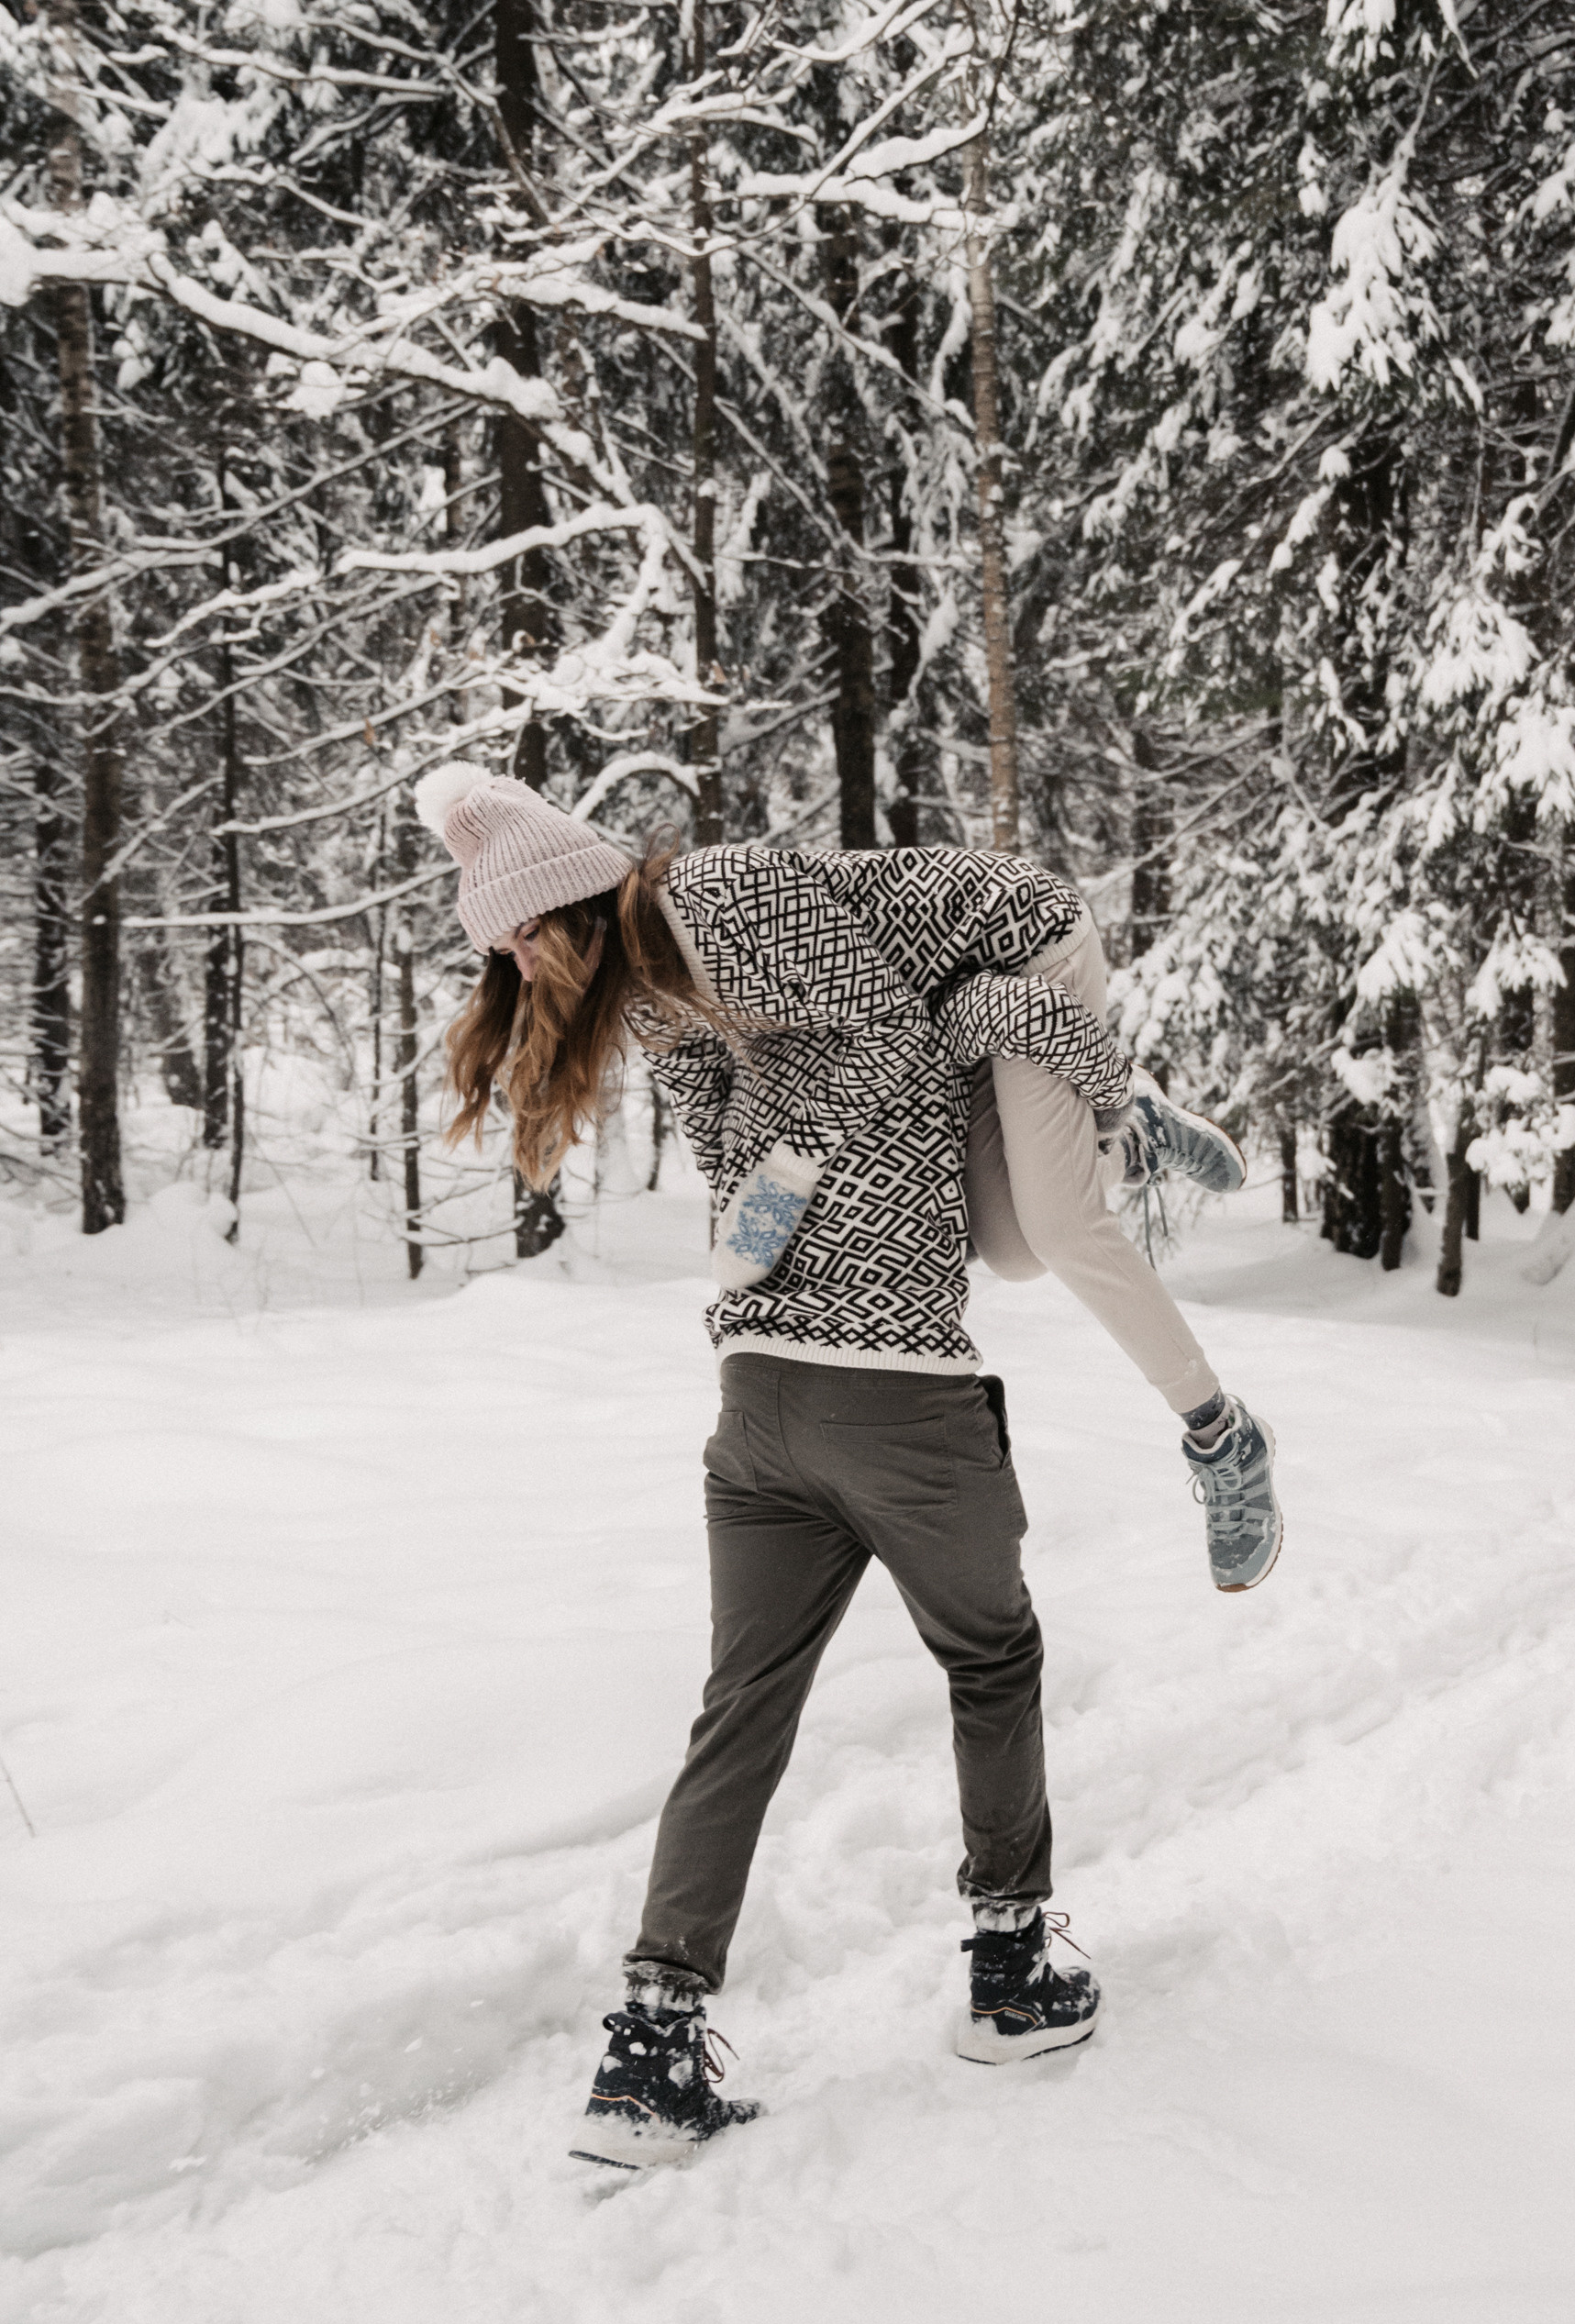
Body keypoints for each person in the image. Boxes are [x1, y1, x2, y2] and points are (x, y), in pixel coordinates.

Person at [416, 765, 1283, 2169]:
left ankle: (649, 2062)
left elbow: (887, 1051)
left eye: (517, 933)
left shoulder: (724, 894)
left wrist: (812, 1153)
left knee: (1036, 1238)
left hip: (771, 1388)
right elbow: (739, 1135)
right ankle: (1007, 1978)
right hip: (896, 1416)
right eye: (496, 949)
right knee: (989, 1656)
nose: (511, 963)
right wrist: (796, 1160)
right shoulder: (653, 991)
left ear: (569, 898)